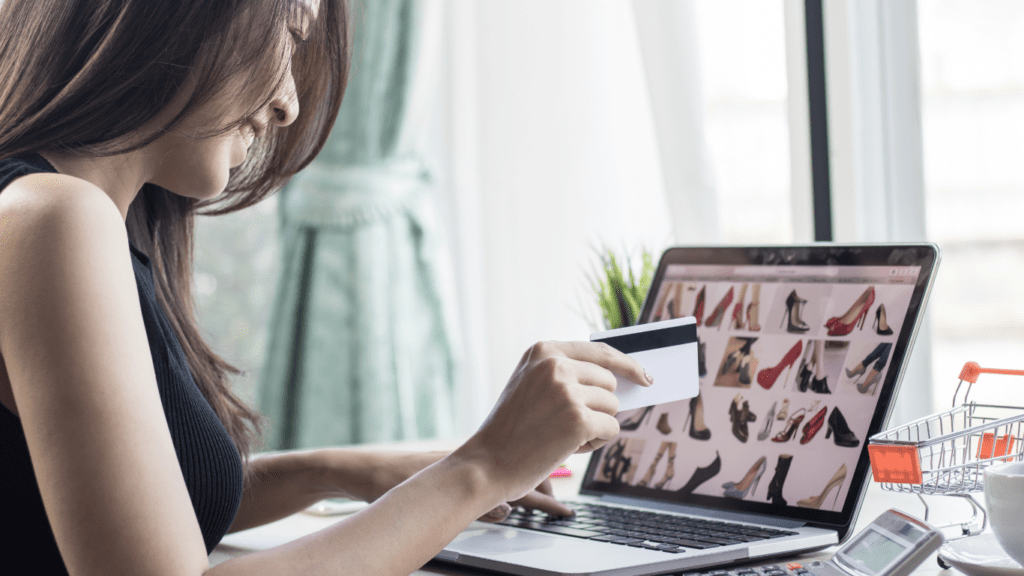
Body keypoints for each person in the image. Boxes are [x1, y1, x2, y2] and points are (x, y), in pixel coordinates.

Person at [0, 0, 653, 574]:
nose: (287, 101)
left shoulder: (70, 217)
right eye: (290, 30)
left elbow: (115, 524)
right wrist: (480, 470)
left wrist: (335, 470)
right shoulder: (54, 217)